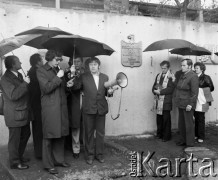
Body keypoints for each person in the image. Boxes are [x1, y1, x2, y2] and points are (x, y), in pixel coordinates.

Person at [68, 57, 114, 165]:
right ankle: (90, 155)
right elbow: (76, 87)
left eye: (94, 64)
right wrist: (72, 83)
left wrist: (111, 92)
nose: (92, 66)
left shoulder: (105, 77)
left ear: (99, 66)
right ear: (88, 66)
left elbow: (107, 93)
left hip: (101, 109)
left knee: (100, 133)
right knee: (88, 134)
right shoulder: (84, 77)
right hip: (88, 109)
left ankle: (100, 154)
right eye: (90, 65)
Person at [36, 50, 72, 174]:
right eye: (57, 59)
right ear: (50, 58)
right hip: (50, 108)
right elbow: (46, 89)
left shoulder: (57, 70)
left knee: (60, 135)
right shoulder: (41, 70)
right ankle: (48, 164)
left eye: (60, 59)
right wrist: (58, 77)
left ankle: (59, 160)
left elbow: (61, 90)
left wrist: (68, 84)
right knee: (48, 136)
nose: (59, 61)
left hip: (61, 107)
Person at [0, 55, 31, 170]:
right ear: (13, 64)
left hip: (23, 112)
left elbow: (22, 91)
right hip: (14, 114)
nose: (21, 63)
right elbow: (13, 95)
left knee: (26, 134)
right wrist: (25, 83)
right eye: (18, 61)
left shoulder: (19, 75)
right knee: (15, 139)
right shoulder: (5, 79)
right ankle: (14, 162)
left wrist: (25, 81)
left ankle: (19, 156)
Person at [175, 58, 199, 147]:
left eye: (184, 65)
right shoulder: (182, 75)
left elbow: (194, 92)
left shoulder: (193, 76)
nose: (182, 67)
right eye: (181, 65)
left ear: (189, 66)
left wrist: (191, 104)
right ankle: (183, 140)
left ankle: (190, 142)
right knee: (181, 124)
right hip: (181, 103)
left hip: (187, 104)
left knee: (188, 124)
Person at [65, 57, 85, 159]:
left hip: (86, 101)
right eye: (74, 61)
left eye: (78, 61)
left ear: (82, 62)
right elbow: (69, 88)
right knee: (75, 126)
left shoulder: (86, 73)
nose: (76, 63)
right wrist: (72, 75)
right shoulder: (67, 73)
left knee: (86, 125)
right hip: (74, 102)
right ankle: (75, 149)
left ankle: (86, 145)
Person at [152, 61, 175, 142]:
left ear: (168, 68)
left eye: (164, 68)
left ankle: (166, 136)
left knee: (166, 120)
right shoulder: (158, 75)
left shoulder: (171, 76)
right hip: (159, 101)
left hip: (166, 102)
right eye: (162, 68)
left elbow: (171, 89)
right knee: (159, 119)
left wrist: (160, 92)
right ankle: (159, 134)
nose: (163, 69)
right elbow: (155, 85)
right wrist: (154, 90)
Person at [27, 53, 43, 159]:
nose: (43, 61)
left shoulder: (32, 71)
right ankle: (39, 153)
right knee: (38, 129)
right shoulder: (35, 71)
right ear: (37, 62)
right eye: (41, 59)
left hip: (35, 104)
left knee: (38, 129)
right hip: (37, 104)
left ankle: (39, 152)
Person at [194, 62, 214, 143]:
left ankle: (201, 136)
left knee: (201, 118)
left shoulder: (206, 77)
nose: (195, 69)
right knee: (195, 118)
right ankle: (196, 134)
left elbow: (211, 88)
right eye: (195, 68)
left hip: (202, 100)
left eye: (197, 68)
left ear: (201, 69)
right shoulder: (193, 76)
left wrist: (202, 89)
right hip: (195, 100)